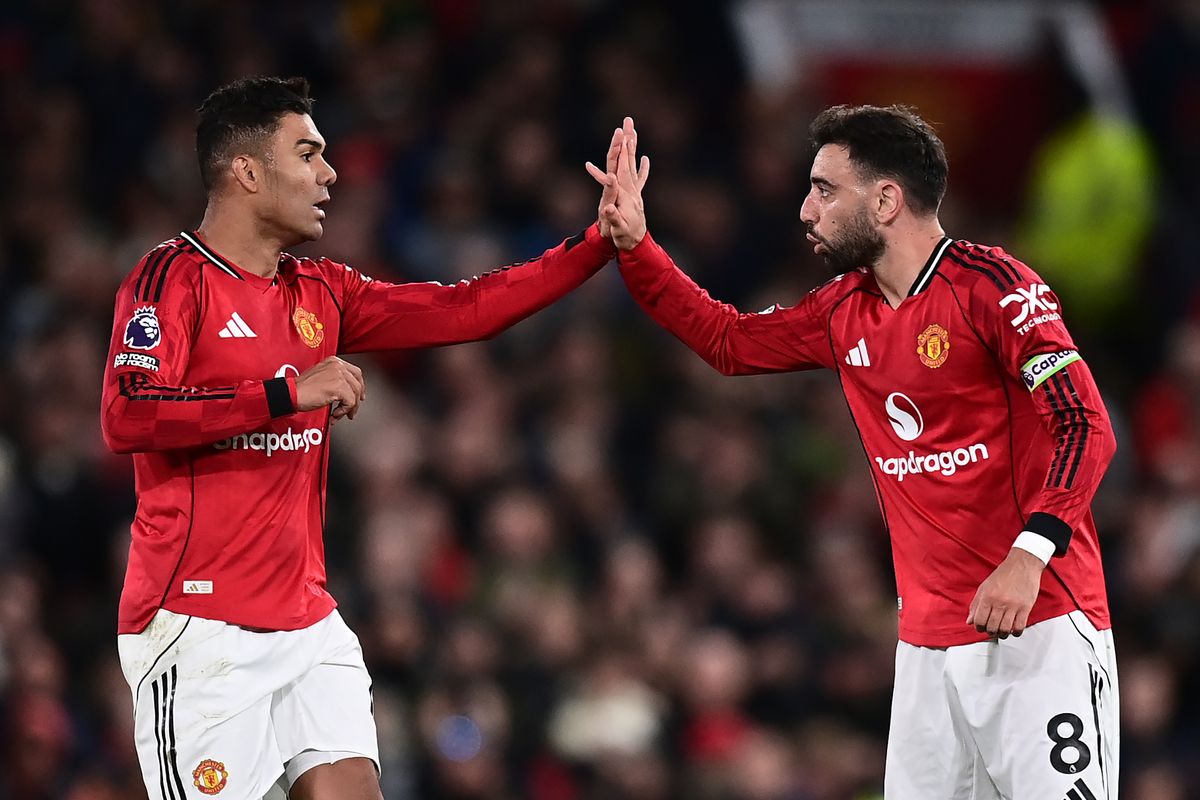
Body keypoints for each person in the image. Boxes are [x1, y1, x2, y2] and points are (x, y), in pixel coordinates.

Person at [100, 76, 622, 800]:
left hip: (308, 622)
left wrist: (596, 245)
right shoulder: (171, 279)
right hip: (199, 628)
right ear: (247, 171)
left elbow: (462, 309)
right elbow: (129, 414)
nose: (330, 173)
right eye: (307, 153)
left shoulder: (322, 291)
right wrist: (285, 393)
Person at [591, 110, 1119, 799]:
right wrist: (637, 245)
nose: (806, 210)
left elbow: (1086, 423)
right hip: (927, 650)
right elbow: (729, 341)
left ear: (886, 200)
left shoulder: (996, 288)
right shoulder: (843, 311)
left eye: (824, 190)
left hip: (1040, 626)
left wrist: (1029, 554)